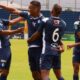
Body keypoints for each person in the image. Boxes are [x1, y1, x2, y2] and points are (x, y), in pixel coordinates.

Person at [0, 1, 44, 80]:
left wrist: (30, 39)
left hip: (39, 49)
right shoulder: (28, 15)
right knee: (34, 73)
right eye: (28, 7)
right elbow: (13, 10)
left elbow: (39, 33)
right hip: (30, 49)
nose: (28, 9)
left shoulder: (43, 20)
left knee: (41, 71)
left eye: (30, 8)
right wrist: (1, 5)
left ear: (37, 9)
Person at [28, 4, 66, 80]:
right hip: (57, 51)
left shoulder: (46, 20)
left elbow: (38, 33)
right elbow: (58, 39)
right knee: (59, 76)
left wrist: (29, 40)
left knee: (44, 76)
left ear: (52, 10)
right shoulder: (63, 23)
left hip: (47, 51)